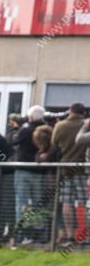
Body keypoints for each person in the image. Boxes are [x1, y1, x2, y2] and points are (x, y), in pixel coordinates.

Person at [51, 102, 86, 245]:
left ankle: (70, 235)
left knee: (67, 202)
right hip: (82, 169)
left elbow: (54, 143)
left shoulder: (60, 126)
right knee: (84, 203)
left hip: (65, 168)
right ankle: (84, 235)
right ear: (83, 113)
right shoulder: (85, 125)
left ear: (70, 111)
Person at [13, 105, 46, 228]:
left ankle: (21, 229)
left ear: (30, 117)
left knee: (21, 201)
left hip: (23, 169)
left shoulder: (25, 129)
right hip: (38, 170)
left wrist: (20, 128)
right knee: (38, 201)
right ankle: (39, 229)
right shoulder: (46, 129)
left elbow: (14, 141)